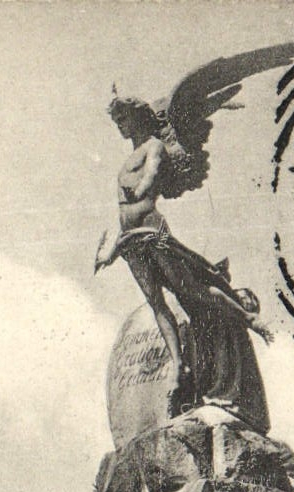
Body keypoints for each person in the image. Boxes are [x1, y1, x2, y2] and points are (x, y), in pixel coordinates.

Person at [95, 96, 272, 421]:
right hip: (130, 240)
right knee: (157, 304)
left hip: (151, 230)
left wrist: (142, 188)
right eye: (116, 122)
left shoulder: (154, 146)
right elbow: (121, 205)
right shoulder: (126, 159)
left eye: (124, 119)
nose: (120, 126)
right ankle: (178, 367)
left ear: (137, 117)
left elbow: (150, 178)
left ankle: (248, 319)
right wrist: (110, 248)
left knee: (190, 290)